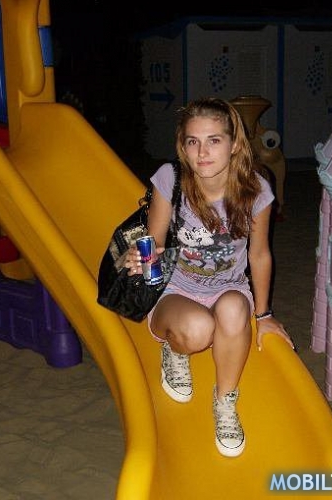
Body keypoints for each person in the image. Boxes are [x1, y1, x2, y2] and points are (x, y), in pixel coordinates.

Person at [125, 97, 293, 457]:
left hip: (228, 287)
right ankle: (174, 350)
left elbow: (259, 254)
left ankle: (224, 401)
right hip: (176, 288)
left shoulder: (255, 190)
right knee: (197, 330)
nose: (202, 152)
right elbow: (153, 242)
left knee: (234, 310)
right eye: (193, 141)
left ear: (234, 144)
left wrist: (263, 315)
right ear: (182, 146)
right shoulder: (171, 179)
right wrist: (141, 266)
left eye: (214, 140)